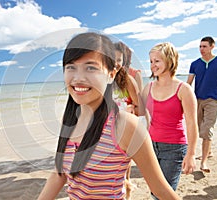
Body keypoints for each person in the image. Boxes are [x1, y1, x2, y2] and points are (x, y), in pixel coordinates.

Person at [38, 32, 180, 200]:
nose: (78, 78)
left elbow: (161, 190)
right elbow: (59, 173)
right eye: (71, 67)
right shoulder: (69, 119)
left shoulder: (126, 126)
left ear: (111, 74)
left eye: (91, 67)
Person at [141, 42, 198, 199]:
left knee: (163, 194)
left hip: (174, 148)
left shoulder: (184, 89)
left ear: (170, 60)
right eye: (151, 61)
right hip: (150, 146)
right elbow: (137, 111)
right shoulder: (148, 87)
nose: (153, 65)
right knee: (154, 191)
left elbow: (192, 124)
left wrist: (191, 154)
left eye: (157, 61)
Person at [187, 36, 217, 173]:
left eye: (204, 46)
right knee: (199, 129)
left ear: (212, 46)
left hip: (213, 101)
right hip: (197, 100)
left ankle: (204, 162)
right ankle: (208, 151)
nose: (201, 49)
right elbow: (188, 84)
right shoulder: (195, 64)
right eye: (200, 46)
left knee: (206, 130)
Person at [113, 41, 144, 199]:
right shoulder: (100, 80)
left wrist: (131, 110)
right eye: (112, 58)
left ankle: (127, 184)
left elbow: (140, 107)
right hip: (105, 128)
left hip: (125, 126)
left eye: (119, 59)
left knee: (125, 158)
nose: (115, 62)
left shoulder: (128, 80)